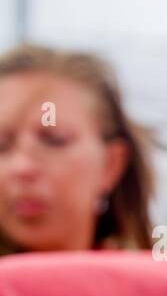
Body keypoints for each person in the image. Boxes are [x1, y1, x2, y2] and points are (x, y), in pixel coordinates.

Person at [0, 44, 156, 257]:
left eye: (55, 140)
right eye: (1, 146)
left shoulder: (157, 284)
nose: (22, 167)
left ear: (111, 164)